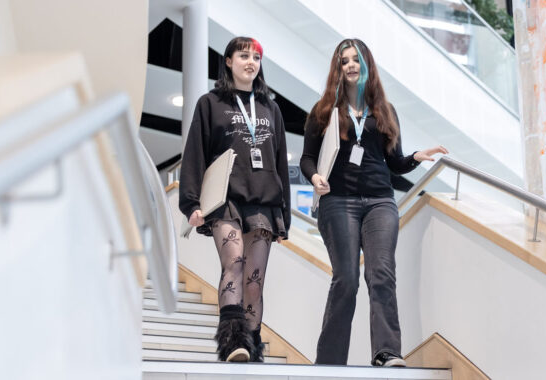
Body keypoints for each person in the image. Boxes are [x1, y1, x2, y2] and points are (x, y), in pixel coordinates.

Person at [300, 38, 448, 367]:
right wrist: (314, 178)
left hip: (380, 200)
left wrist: (416, 158)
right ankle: (329, 362)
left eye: (357, 60)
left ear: (367, 66)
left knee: (381, 274)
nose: (351, 65)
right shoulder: (323, 110)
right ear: (337, 68)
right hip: (337, 201)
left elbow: (394, 162)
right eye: (344, 61)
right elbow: (308, 159)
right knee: (347, 279)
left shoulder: (384, 110)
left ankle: (386, 353)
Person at [179, 36, 291, 363]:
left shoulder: (271, 109)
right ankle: (231, 343)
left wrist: (284, 216)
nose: (250, 62)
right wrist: (191, 203)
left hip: (265, 202)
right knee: (235, 262)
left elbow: (281, 161)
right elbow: (195, 153)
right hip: (226, 198)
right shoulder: (210, 103)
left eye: (256, 57)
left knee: (255, 282)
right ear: (228, 61)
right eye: (244, 56)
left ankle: (251, 349)